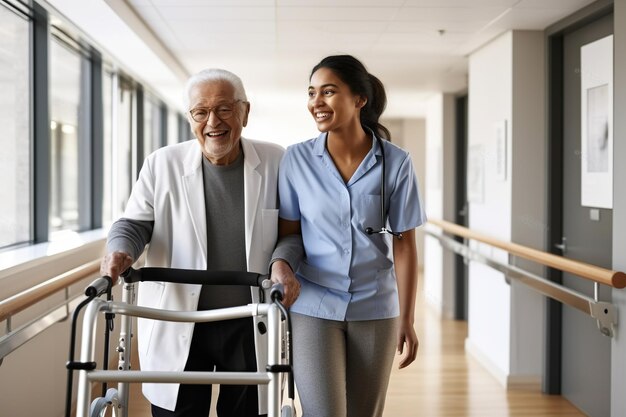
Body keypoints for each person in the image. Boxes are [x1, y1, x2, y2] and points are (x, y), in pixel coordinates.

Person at [100, 68, 301, 417]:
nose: (213, 121)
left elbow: (291, 232)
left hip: (248, 321)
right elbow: (134, 224)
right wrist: (120, 250)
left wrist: (282, 263)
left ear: (245, 112)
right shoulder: (162, 164)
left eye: (225, 109)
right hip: (178, 317)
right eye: (201, 112)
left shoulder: (276, 161)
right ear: (190, 117)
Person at [277, 55, 426, 417]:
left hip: (376, 305)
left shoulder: (396, 162)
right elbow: (290, 236)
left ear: (359, 99)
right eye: (312, 92)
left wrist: (407, 317)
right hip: (314, 303)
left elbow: (405, 245)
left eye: (328, 91)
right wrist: (280, 264)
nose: (316, 101)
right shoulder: (295, 160)